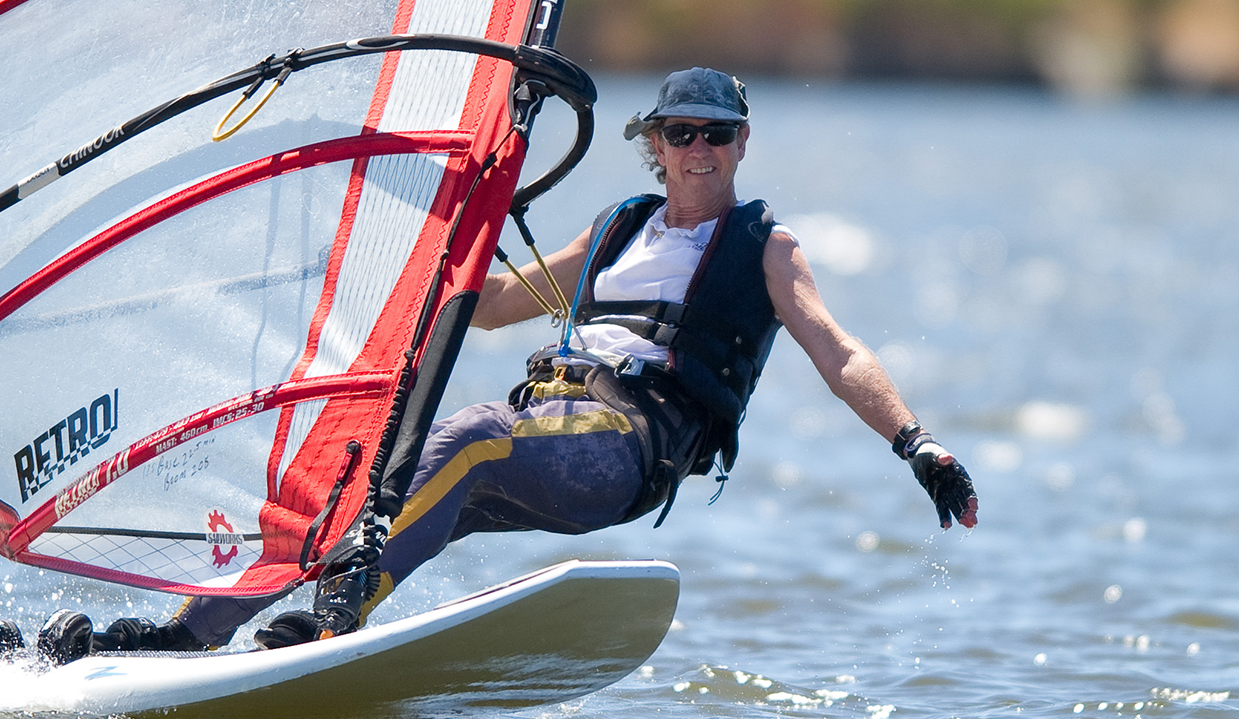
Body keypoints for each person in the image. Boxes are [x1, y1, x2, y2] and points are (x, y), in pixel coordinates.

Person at [5, 67, 977, 663]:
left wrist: (919, 447)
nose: (698, 152)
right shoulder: (618, 230)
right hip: (548, 421)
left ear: (740, 142)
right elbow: (498, 301)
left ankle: (337, 616)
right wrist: (414, 244)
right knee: (350, 467)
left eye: (716, 135)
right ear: (655, 145)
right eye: (680, 134)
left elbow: (835, 348)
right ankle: (194, 634)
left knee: (467, 438)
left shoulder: (764, 247)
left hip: (625, 448)